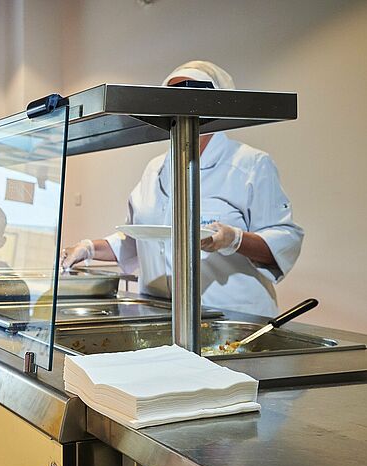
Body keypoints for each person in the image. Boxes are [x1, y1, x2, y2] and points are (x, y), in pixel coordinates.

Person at [60, 61, 303, 317]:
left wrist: (235, 240)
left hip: (231, 316)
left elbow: (285, 241)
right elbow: (136, 243)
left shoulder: (250, 164)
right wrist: (88, 248)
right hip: (161, 312)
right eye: (172, 97)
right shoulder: (155, 169)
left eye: (191, 95)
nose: (181, 106)